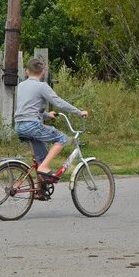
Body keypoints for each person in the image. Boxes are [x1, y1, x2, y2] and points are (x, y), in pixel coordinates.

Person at [14, 58, 88, 193]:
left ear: (26, 71)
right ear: (43, 71)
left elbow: (28, 109)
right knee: (62, 139)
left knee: (41, 158)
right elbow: (59, 102)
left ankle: (39, 189)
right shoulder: (42, 86)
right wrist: (79, 112)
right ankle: (43, 168)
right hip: (32, 125)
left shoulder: (21, 86)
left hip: (19, 125)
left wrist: (47, 115)